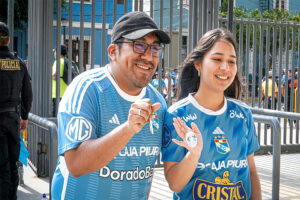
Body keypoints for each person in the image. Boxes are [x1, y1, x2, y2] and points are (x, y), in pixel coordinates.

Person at [51, 11, 170, 200]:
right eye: (139, 45)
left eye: (155, 48)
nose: (149, 57)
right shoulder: (87, 88)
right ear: (113, 52)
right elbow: (75, 164)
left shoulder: (158, 102)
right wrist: (128, 129)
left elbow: (145, 169)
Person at [161, 29, 261, 200]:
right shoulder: (178, 115)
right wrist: (193, 155)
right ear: (198, 64)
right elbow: (175, 184)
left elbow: (251, 170)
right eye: (217, 59)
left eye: (231, 61)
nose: (225, 67)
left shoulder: (243, 114)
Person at [0, 22, 33, 200]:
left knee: (1, 166)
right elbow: (28, 93)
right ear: (7, 40)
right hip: (13, 119)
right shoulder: (18, 63)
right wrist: (25, 117)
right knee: (12, 164)